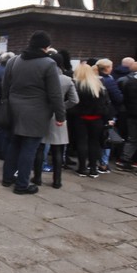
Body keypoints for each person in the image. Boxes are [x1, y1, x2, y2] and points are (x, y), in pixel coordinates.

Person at [1, 31, 66, 194]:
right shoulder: (48, 63)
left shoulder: (14, 61)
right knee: (29, 148)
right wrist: (60, 115)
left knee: (14, 145)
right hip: (37, 112)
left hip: (14, 109)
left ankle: (7, 178)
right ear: (46, 47)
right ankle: (22, 184)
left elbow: (5, 86)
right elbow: (55, 93)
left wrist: (6, 104)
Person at [31, 53, 78, 188]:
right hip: (59, 116)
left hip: (41, 115)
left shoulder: (41, 78)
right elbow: (75, 100)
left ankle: (37, 178)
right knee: (58, 149)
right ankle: (57, 181)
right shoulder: (67, 80)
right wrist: (62, 107)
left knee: (40, 147)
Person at [69, 63, 111, 178]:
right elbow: (106, 103)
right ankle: (93, 168)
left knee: (81, 142)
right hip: (97, 118)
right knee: (94, 142)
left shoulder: (76, 85)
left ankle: (82, 168)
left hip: (80, 118)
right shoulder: (99, 85)